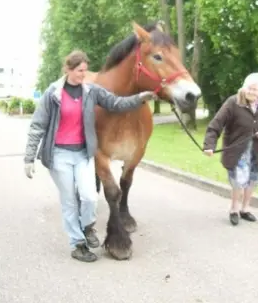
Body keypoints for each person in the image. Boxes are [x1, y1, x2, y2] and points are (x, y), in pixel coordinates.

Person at [23, 50, 157, 262]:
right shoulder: (53, 93)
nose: (83, 75)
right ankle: (77, 244)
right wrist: (29, 157)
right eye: (79, 71)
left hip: (83, 154)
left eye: (85, 70)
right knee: (69, 202)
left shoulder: (91, 91)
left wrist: (139, 98)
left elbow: (116, 103)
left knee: (89, 197)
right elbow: (38, 125)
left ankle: (86, 227)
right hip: (59, 156)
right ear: (68, 70)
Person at [203, 72, 258, 226]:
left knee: (252, 180)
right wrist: (209, 145)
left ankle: (245, 209)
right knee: (238, 182)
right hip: (236, 151)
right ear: (244, 88)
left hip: (256, 151)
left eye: (256, 90)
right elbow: (216, 124)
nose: (252, 92)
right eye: (250, 88)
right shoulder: (233, 102)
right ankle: (234, 209)